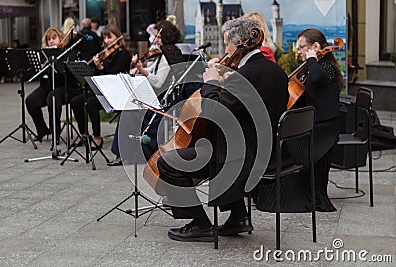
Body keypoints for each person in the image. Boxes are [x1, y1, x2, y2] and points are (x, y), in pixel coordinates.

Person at [156, 17, 289, 242]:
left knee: (168, 161)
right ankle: (238, 217)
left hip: (240, 158)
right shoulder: (275, 71)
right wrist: (228, 82)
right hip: (268, 151)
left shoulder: (245, 76)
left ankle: (200, 224)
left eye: (226, 43)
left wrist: (210, 82)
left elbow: (214, 112)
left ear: (239, 44)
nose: (225, 49)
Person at [257, 28, 342, 213]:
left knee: (287, 147)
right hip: (313, 124)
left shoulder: (326, 68)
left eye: (303, 47)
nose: (299, 51)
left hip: (324, 129)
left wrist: (312, 58)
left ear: (316, 46)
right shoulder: (311, 68)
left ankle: (296, 193)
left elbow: (317, 78)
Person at [106, 20, 185, 166]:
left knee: (128, 112)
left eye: (158, 37)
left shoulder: (168, 55)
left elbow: (158, 81)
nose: (155, 40)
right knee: (129, 108)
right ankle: (127, 152)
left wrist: (141, 71)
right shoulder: (165, 53)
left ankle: (123, 153)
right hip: (158, 95)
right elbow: (153, 70)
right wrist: (140, 69)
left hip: (162, 99)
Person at [70, 24, 130, 151]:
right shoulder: (104, 54)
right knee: (75, 102)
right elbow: (98, 77)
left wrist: (101, 67)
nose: (107, 41)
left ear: (118, 37)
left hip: (115, 92)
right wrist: (94, 68)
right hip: (102, 90)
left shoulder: (123, 54)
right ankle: (83, 133)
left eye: (110, 37)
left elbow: (114, 74)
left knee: (91, 102)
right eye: (104, 38)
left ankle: (97, 136)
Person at [25, 27, 79, 143]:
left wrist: (55, 62)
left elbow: (65, 73)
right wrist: (40, 67)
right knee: (31, 101)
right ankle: (42, 129)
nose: (51, 41)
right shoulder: (44, 54)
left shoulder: (68, 52)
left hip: (65, 86)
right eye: (48, 39)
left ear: (61, 38)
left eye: (54, 38)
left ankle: (56, 134)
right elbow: (39, 76)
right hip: (47, 86)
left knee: (53, 98)